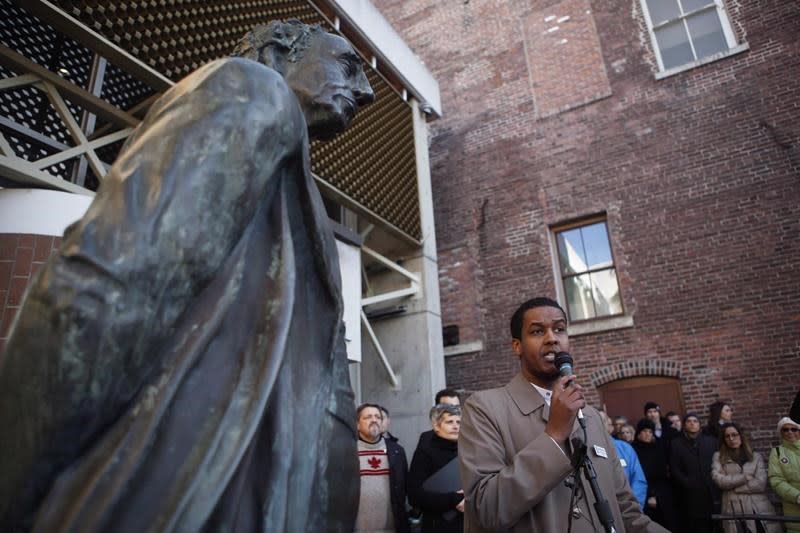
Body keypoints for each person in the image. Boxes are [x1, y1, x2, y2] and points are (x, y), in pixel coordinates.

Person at [0, 20, 374, 533]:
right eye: (347, 65)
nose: (367, 91)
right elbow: (108, 288)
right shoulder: (251, 89)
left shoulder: (295, 184)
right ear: (278, 49)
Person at [458, 296, 666, 532]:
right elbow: (485, 510)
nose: (552, 338)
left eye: (559, 329)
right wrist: (554, 435)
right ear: (517, 346)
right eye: (537, 332)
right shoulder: (484, 408)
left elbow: (626, 512)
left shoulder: (591, 417)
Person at [711, 422, 780, 533]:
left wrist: (735, 488)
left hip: (757, 508)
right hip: (734, 509)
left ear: (741, 436)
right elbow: (719, 481)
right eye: (727, 436)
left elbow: (760, 484)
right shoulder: (718, 457)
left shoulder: (755, 456)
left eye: (734, 434)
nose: (731, 438)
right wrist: (744, 477)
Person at [407, 404, 465, 533]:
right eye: (449, 422)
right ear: (436, 426)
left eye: (459, 422)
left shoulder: (470, 450)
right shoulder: (425, 452)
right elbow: (414, 496)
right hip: (437, 525)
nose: (455, 426)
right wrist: (454, 499)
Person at [355, 404, 410, 533]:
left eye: (377, 417)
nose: (374, 420)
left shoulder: (397, 451)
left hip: (392, 528)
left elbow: (406, 488)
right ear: (357, 424)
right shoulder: (347, 452)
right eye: (368, 417)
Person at [670, 413, 719, 533]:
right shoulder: (676, 443)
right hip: (690, 494)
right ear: (684, 425)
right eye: (689, 421)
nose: (692, 424)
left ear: (699, 425)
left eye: (695, 421)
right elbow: (674, 467)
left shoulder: (711, 441)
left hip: (711, 491)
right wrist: (687, 482)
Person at [632, 419, 678, 531]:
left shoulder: (658, 447)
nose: (648, 434)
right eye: (645, 431)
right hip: (645, 495)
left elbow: (664, 473)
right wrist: (649, 496)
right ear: (639, 433)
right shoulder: (633, 449)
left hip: (663, 494)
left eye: (650, 432)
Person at [599, 410, 648, 509]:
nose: (597, 424)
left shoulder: (625, 448)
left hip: (628, 510)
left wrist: (634, 508)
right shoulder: (583, 450)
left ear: (610, 426)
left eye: (601, 420)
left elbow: (638, 480)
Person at [768, 417, 800, 533]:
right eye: (785, 430)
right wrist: (797, 496)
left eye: (794, 429)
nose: (790, 432)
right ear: (781, 433)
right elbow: (776, 480)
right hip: (794, 509)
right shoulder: (776, 452)